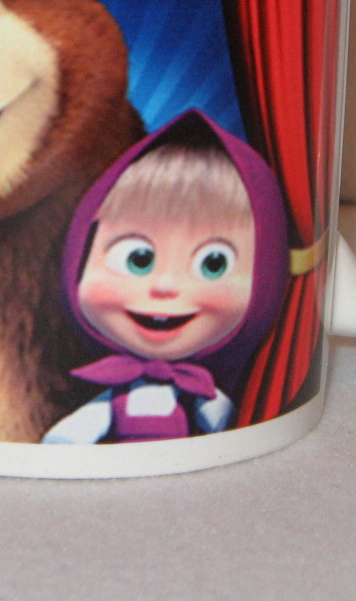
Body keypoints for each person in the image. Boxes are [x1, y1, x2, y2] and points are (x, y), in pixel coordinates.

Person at [43, 110, 289, 444]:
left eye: (213, 264)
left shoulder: (206, 395)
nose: (165, 286)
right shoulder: (114, 394)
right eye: (138, 259)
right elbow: (76, 432)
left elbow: (228, 425)